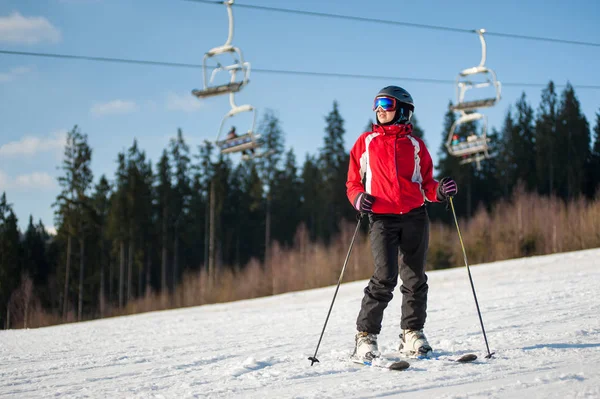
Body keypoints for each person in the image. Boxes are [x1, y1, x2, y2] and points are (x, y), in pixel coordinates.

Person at [346, 86, 458, 361]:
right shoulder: (366, 143)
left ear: (404, 110)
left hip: (415, 215)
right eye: (376, 104)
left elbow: (427, 183)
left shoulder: (416, 146)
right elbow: (352, 183)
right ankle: (365, 337)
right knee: (385, 277)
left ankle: (412, 333)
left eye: (386, 103)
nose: (379, 109)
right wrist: (359, 198)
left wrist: (440, 191)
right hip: (381, 218)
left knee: (415, 278)